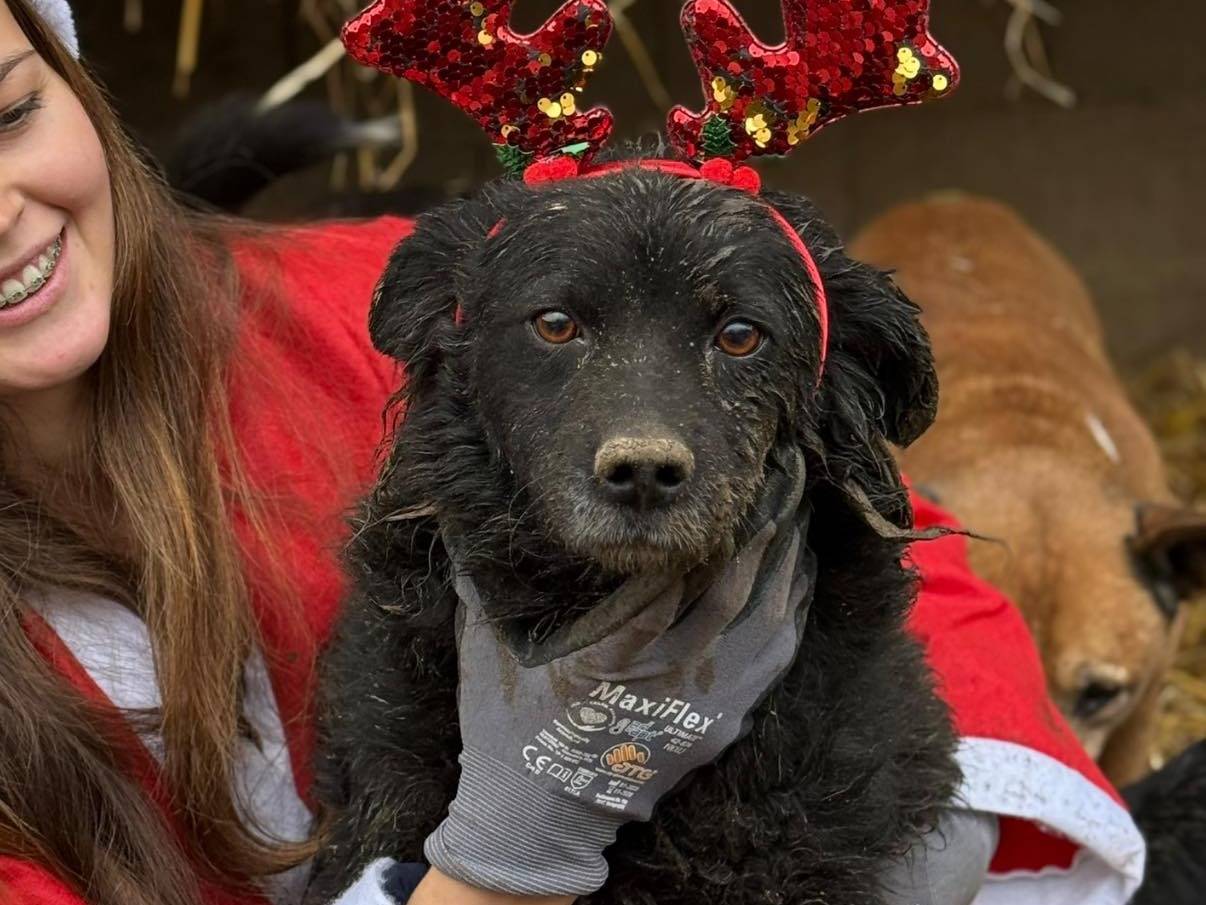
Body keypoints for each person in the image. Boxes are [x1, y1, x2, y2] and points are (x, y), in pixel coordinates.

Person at [0, 2, 1146, 904]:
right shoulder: (466, 317)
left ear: (78, 91)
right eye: (557, 327)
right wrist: (514, 845)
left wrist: (937, 839)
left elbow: (918, 549)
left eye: (8, 111)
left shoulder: (353, 298)